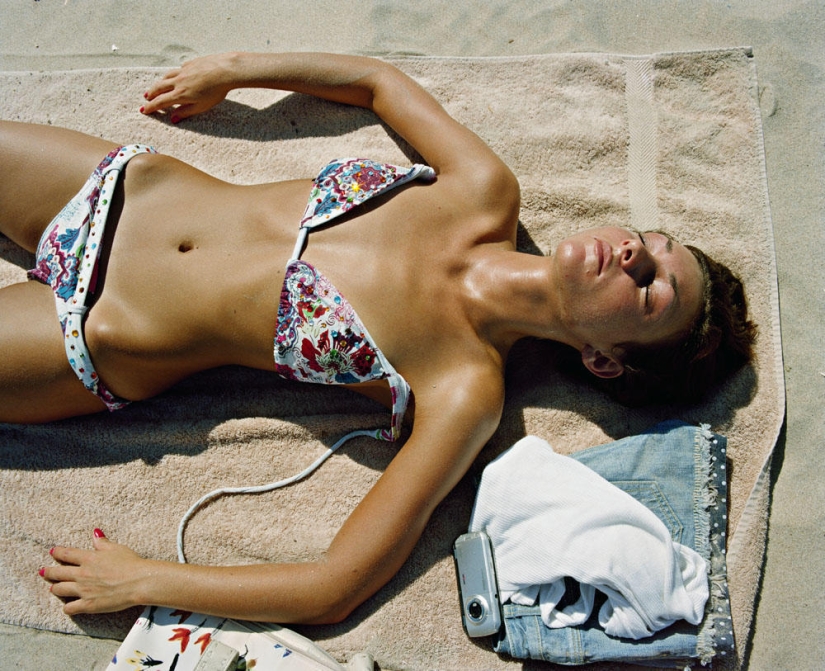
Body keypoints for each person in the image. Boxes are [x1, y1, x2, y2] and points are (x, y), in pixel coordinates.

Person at [0, 51, 754, 623]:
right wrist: (236, 72)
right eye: (651, 240)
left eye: (650, 287)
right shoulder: (483, 190)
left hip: (95, 336)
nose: (631, 252)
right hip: (116, 190)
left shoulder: (464, 390)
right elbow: (378, 83)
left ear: (601, 359)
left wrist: (148, 579)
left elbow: (338, 581)